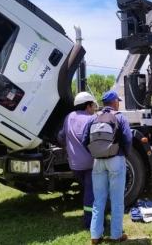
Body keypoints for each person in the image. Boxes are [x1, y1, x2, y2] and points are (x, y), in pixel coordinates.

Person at [82, 91, 132, 244]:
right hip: (116, 159)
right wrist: (125, 154)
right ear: (115, 102)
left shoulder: (93, 118)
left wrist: (96, 152)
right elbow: (128, 138)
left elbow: (84, 139)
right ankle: (116, 235)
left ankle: (95, 236)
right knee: (117, 199)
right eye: (118, 100)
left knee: (98, 200)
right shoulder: (120, 117)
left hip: (98, 161)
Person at [57, 92, 97, 230]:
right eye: (92, 105)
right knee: (90, 193)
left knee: (86, 190)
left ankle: (92, 215)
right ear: (88, 106)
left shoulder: (69, 117)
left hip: (75, 165)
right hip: (90, 164)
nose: (93, 109)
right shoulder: (91, 119)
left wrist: (68, 146)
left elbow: (61, 136)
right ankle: (89, 222)